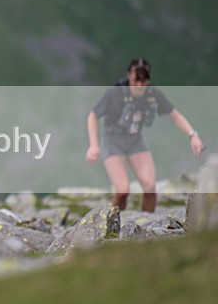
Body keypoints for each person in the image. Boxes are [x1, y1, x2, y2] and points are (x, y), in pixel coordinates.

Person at [85, 58, 205, 212]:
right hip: (112, 140)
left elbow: (174, 115)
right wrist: (94, 145)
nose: (140, 85)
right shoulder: (115, 93)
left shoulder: (153, 95)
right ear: (129, 76)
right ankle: (110, 221)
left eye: (144, 81)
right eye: (136, 80)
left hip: (135, 140)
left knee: (149, 186)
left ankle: (147, 222)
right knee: (122, 190)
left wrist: (193, 135)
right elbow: (93, 115)